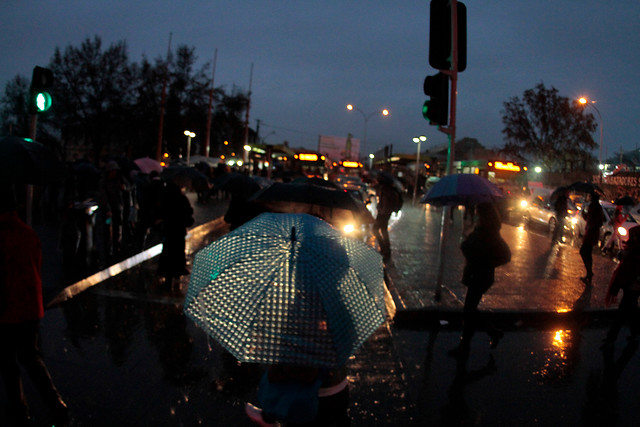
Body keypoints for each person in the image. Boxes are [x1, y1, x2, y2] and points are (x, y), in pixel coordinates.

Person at [0, 186, 68, 426]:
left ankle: (19, 409)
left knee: (8, 364)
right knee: (32, 359)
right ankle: (55, 403)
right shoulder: (28, 233)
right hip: (30, 308)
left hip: (7, 310)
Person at [449, 202, 511, 359]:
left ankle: (467, 345)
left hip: (480, 276)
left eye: (478, 213)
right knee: (470, 310)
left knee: (469, 312)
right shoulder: (482, 230)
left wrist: (485, 261)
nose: (475, 215)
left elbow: (504, 255)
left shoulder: (489, 233)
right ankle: (492, 333)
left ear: (485, 216)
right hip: (476, 274)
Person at [245, 365, 349, 426]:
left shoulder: (300, 332)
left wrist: (276, 369)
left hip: (309, 399)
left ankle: (268, 417)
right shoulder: (338, 328)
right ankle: (267, 417)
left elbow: (304, 373)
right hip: (339, 388)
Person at [602, 225, 640, 348]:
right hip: (631, 281)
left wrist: (626, 253)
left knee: (623, 311)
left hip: (633, 282)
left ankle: (611, 337)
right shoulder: (635, 236)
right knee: (631, 309)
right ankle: (634, 333)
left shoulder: (635, 244)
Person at [157, 181, 194, 289]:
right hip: (179, 230)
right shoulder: (182, 198)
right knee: (178, 252)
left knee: (168, 253)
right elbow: (189, 211)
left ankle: (168, 280)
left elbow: (161, 212)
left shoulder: (166, 198)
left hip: (169, 230)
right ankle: (177, 274)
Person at [373, 175, 402, 261]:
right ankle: (386, 249)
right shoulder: (387, 190)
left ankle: (385, 248)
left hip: (384, 213)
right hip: (385, 212)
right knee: (382, 230)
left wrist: (380, 209)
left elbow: (384, 203)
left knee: (377, 230)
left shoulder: (385, 190)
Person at [579, 192, 604, 285]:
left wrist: (592, 225)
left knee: (583, 251)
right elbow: (589, 219)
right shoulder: (595, 207)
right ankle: (589, 273)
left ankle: (589, 272)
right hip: (590, 232)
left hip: (591, 233)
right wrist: (584, 214)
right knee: (587, 253)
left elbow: (598, 221)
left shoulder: (595, 207)